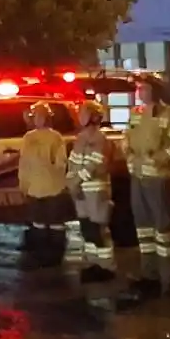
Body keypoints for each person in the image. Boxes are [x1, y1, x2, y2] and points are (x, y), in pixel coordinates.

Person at [123, 76, 170, 300]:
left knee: (163, 231)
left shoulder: (168, 114)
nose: (140, 91)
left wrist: (159, 158)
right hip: (138, 179)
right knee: (144, 231)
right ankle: (149, 277)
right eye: (138, 88)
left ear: (155, 90)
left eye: (144, 87)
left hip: (160, 180)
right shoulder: (136, 113)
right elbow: (127, 140)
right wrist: (130, 158)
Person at [68, 100, 115, 284]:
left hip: (96, 193)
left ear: (94, 116)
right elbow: (73, 162)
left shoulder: (100, 139)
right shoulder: (80, 139)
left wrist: (76, 181)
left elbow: (95, 163)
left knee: (98, 231)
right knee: (87, 231)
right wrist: (71, 183)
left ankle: (107, 267)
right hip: (82, 195)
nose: (80, 115)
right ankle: (93, 263)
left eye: (84, 112)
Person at [19, 100, 69, 267]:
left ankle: (55, 257)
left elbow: (61, 162)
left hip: (53, 187)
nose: (37, 119)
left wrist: (56, 173)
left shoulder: (56, 137)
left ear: (47, 118)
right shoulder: (28, 138)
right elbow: (24, 163)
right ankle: (41, 255)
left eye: (41, 116)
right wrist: (23, 184)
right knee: (38, 223)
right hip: (35, 187)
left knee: (55, 223)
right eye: (35, 116)